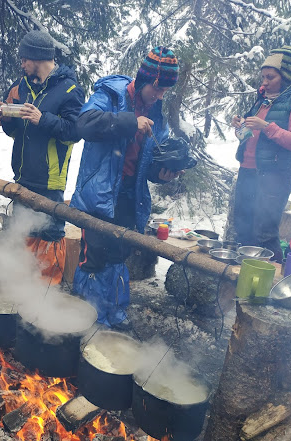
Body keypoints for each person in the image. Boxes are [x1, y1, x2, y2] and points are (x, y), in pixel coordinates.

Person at [70, 46, 181, 327]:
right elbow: (83, 124)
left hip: (130, 195)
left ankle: (115, 313)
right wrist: (130, 122)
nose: (160, 95)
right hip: (99, 193)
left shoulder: (157, 112)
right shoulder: (110, 95)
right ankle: (88, 319)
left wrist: (162, 173)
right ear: (144, 80)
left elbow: (151, 160)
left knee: (120, 255)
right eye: (157, 88)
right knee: (93, 257)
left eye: (165, 90)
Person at [1, 30, 85, 284]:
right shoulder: (22, 86)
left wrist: (42, 119)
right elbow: (14, 131)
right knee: (23, 242)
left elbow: (74, 133)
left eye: (24, 59)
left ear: (36, 57)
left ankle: (47, 305)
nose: (22, 64)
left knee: (48, 243)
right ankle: (24, 299)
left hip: (50, 182)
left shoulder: (69, 89)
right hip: (23, 177)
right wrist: (7, 116)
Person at [231, 46, 291, 263]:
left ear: (285, 76)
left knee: (264, 232)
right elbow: (253, 134)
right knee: (243, 225)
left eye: (270, 77)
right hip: (248, 169)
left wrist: (266, 126)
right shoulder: (265, 97)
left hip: (275, 175)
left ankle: (273, 279)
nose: (264, 82)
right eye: (263, 77)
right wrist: (241, 126)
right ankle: (242, 278)